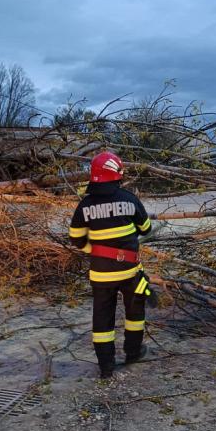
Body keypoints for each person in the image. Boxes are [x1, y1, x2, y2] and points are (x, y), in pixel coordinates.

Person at [68, 151, 155, 379]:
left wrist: (96, 251)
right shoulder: (129, 199)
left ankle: (106, 366)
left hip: (101, 274)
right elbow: (146, 229)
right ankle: (133, 353)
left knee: (102, 317)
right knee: (135, 312)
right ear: (117, 173)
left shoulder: (85, 205)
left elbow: (76, 239)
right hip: (130, 272)